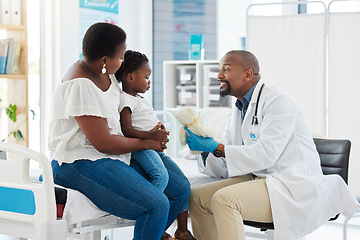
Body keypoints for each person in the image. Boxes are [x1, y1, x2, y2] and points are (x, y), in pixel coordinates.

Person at [184, 50, 359, 240]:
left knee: (224, 200)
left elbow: (266, 154)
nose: (219, 75)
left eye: (226, 69)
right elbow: (227, 158)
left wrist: (216, 147)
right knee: (197, 197)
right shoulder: (238, 109)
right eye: (219, 70)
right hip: (261, 177)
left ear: (248, 74)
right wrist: (205, 150)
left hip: (291, 185)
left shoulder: (278, 101)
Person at [48, 22, 191, 240]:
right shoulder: (80, 85)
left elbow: (126, 108)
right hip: (79, 162)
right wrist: (148, 142)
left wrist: (149, 129)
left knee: (180, 189)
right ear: (104, 59)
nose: (122, 61)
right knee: (156, 205)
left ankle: (154, 232)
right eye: (121, 57)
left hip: (111, 155)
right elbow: (103, 143)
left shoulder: (107, 73)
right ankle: (154, 227)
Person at [115, 49, 196, 240]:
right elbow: (126, 129)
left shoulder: (138, 99)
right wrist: (151, 136)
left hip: (154, 147)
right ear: (130, 76)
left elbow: (142, 121)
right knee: (160, 176)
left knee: (183, 180)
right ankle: (152, 212)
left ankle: (181, 230)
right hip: (141, 148)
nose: (149, 81)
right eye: (147, 76)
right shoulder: (125, 100)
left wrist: (157, 128)